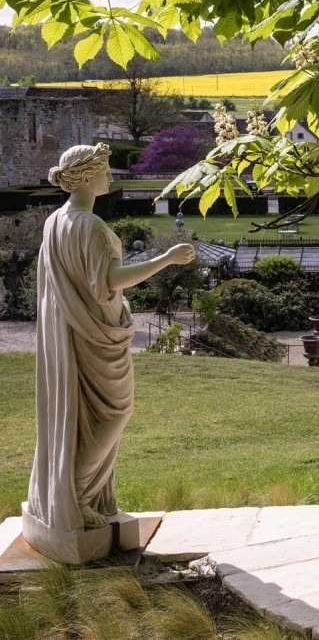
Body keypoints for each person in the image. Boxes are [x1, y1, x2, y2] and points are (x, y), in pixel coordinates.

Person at [27, 144, 195, 544]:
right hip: (92, 336)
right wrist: (166, 259)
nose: (111, 177)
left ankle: (84, 499)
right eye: (105, 170)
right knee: (113, 412)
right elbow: (110, 280)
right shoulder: (89, 226)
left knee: (81, 416)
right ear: (86, 177)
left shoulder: (55, 221)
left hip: (70, 331)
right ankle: (81, 498)